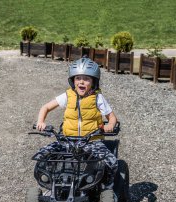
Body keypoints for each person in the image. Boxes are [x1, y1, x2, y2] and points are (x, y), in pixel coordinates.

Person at [33, 57, 118, 189]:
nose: (81, 82)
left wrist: (110, 125)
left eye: (86, 79)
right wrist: (41, 122)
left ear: (94, 82)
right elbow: (46, 107)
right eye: (78, 78)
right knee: (43, 156)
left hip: (91, 141)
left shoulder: (98, 98)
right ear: (73, 81)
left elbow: (112, 118)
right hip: (67, 140)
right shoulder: (67, 96)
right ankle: (53, 186)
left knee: (111, 162)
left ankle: (108, 189)